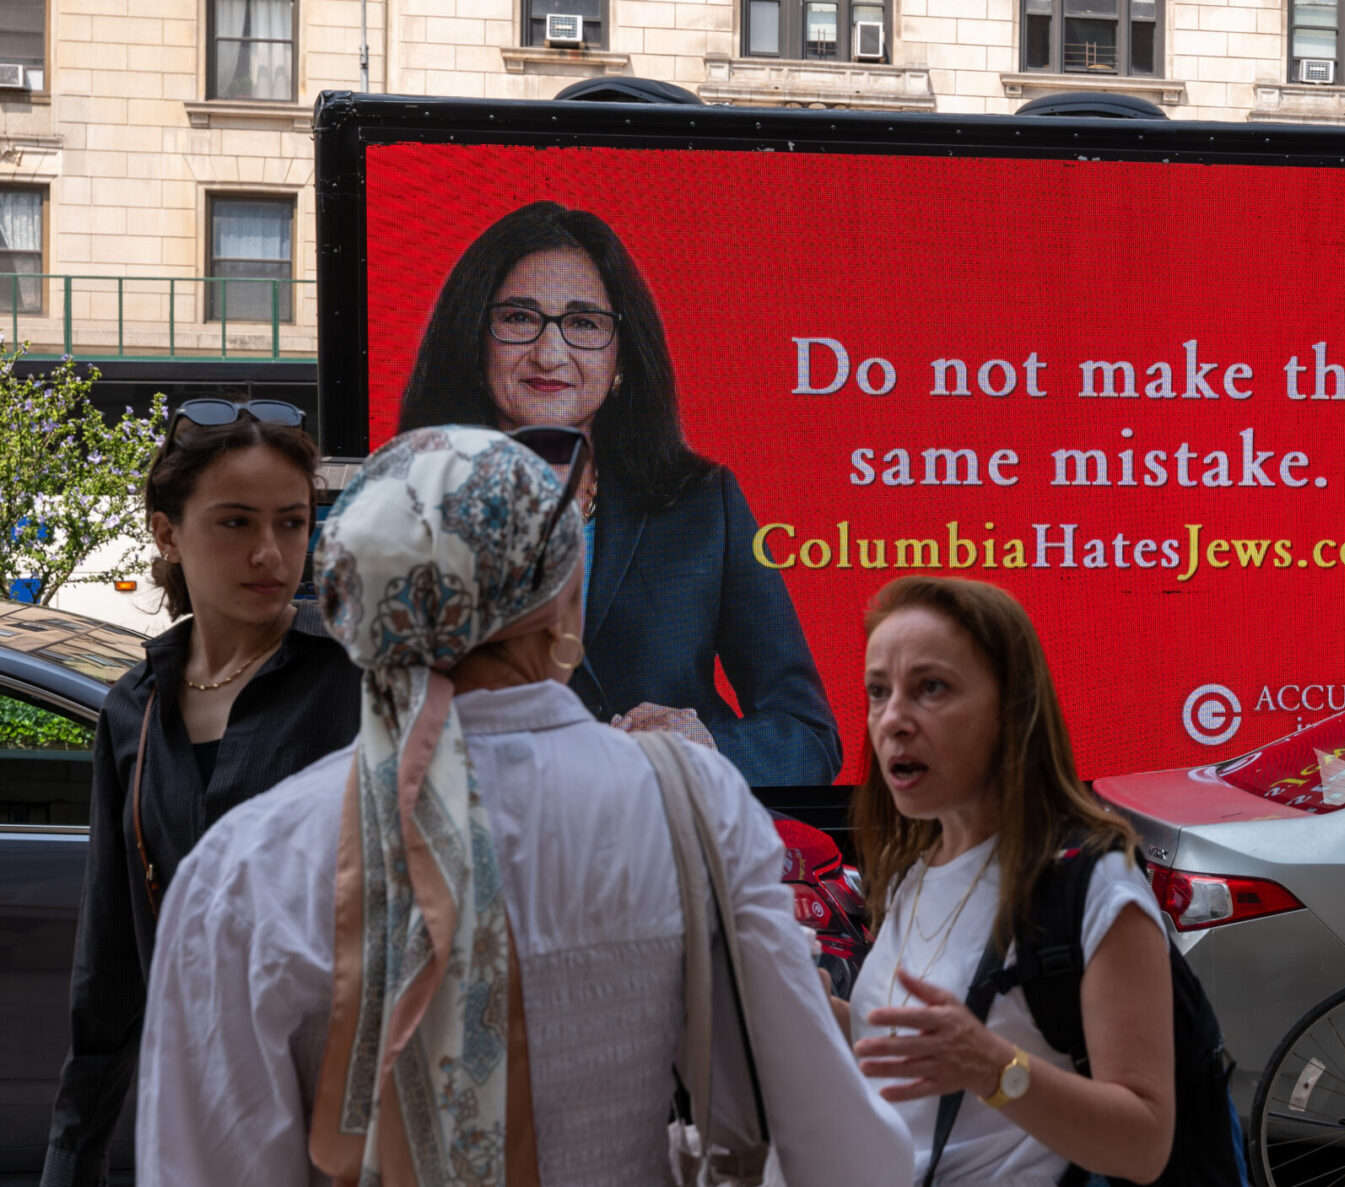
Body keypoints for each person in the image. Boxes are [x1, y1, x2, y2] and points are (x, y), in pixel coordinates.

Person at [131, 426, 911, 1186]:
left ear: (354, 607)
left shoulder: (242, 869)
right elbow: (842, 1154)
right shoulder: (688, 803)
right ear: (567, 594)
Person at [397, 199, 840, 787]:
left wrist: (704, 748)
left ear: (621, 360)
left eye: (583, 323)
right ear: (476, 345)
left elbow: (809, 737)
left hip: (670, 858)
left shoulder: (705, 505)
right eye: (518, 318)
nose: (549, 353)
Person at [42, 398, 363, 1187]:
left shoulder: (362, 680)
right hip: (199, 1115)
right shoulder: (134, 707)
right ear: (165, 533)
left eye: (292, 522)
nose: (271, 553)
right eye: (235, 523)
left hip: (347, 1118)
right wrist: (72, 1155)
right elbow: (111, 959)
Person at [845, 576, 1176, 1185]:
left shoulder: (1096, 885)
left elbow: (1144, 1142)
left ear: (1011, 707)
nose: (892, 719)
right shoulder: (915, 868)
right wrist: (802, 1006)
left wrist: (994, 1068)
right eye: (877, 691)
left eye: (931, 688)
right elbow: (912, 1049)